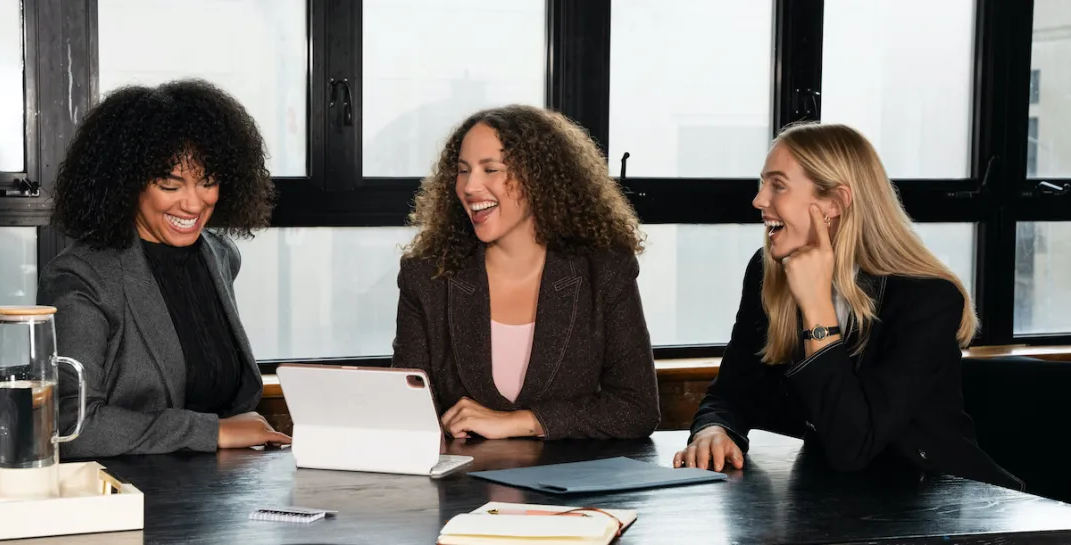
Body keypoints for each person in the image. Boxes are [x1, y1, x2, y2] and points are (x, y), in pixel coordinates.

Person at [672, 122, 1023, 491]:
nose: (759, 200)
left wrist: (816, 306)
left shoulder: (927, 299)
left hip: (940, 503)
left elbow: (852, 445)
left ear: (835, 203)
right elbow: (732, 390)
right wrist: (715, 429)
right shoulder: (769, 271)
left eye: (778, 185)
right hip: (841, 498)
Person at [38, 79, 290, 457]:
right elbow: (75, 428)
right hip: (130, 496)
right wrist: (212, 431)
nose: (193, 204)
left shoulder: (219, 255)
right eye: (171, 186)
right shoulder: (81, 277)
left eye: (208, 182)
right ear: (127, 183)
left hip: (220, 495)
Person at [392, 105, 660, 441]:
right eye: (463, 171)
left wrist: (525, 421)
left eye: (491, 169)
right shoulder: (427, 275)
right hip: (462, 490)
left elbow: (637, 409)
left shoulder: (604, 269)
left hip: (571, 487)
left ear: (540, 178)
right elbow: (406, 413)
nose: (470, 186)